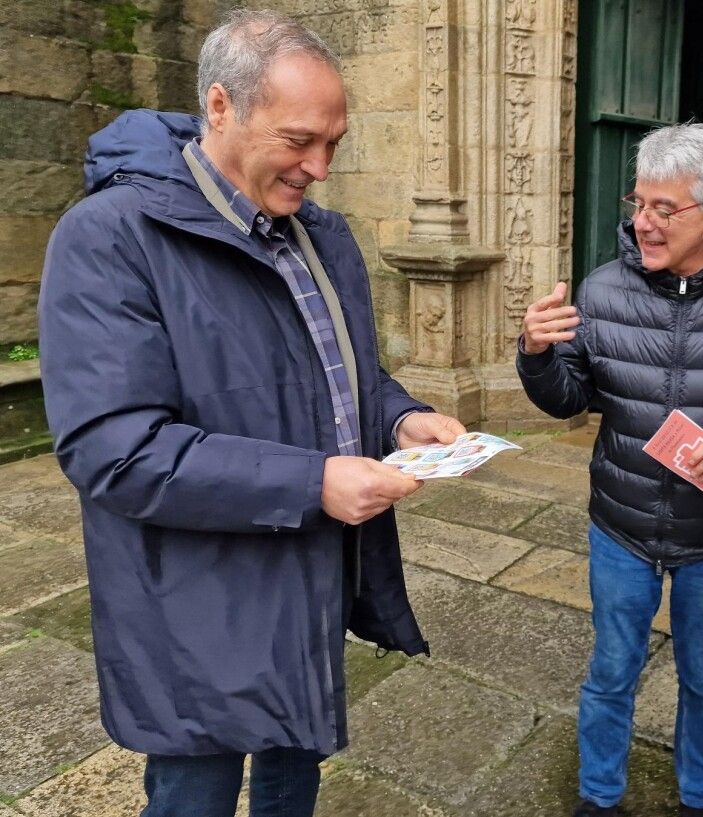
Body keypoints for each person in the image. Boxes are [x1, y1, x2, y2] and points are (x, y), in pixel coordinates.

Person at [37, 10, 465, 817]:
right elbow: (114, 449)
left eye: (334, 143)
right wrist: (315, 483)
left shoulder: (323, 237)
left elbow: (345, 377)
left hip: (309, 582)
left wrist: (403, 418)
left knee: (291, 785)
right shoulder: (108, 239)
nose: (321, 167)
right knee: (194, 799)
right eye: (301, 140)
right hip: (196, 608)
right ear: (222, 108)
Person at [517, 123, 703, 817]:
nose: (644, 222)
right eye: (639, 203)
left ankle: (698, 798)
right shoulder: (601, 291)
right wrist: (536, 353)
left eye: (665, 208)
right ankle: (599, 798)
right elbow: (568, 397)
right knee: (611, 669)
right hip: (621, 524)